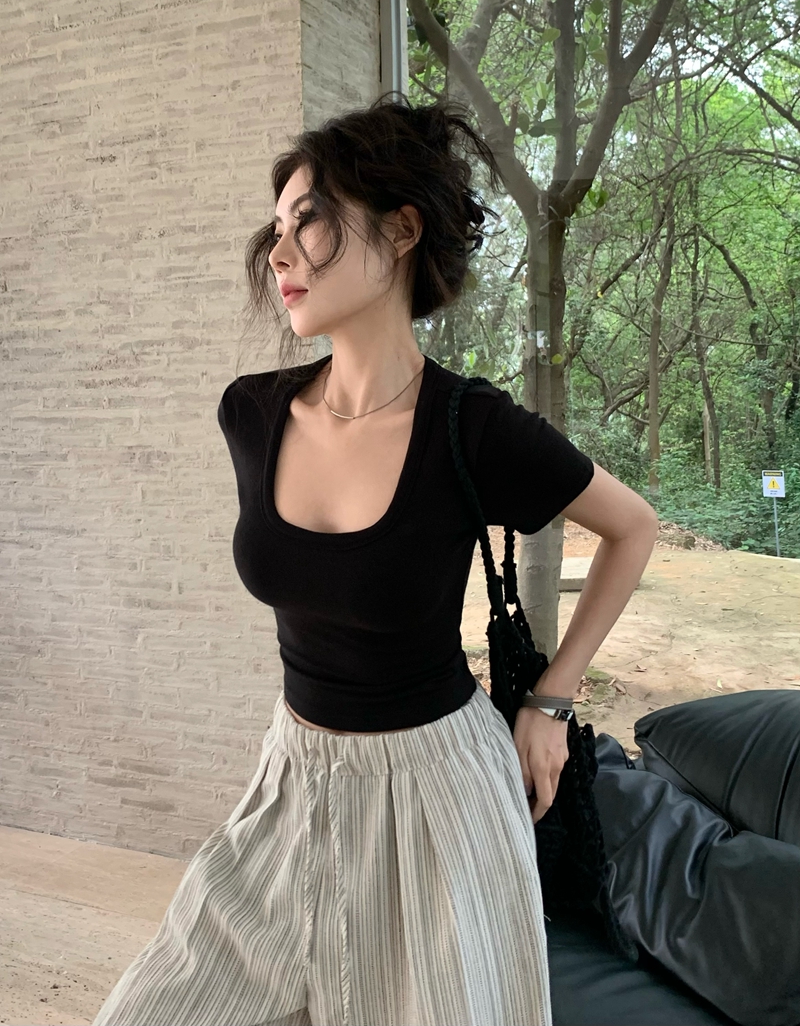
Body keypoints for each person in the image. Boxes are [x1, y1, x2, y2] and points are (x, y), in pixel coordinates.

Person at [91, 93, 659, 1026]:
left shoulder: (472, 427)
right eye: (276, 229)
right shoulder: (252, 413)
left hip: (438, 797)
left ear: (401, 230)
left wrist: (553, 700)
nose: (278, 254)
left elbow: (632, 527)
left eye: (308, 220)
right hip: (290, 784)